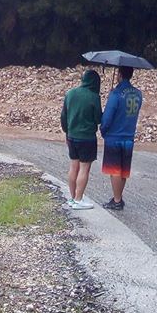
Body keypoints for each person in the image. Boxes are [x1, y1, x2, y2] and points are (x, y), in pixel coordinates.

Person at [99, 66, 143, 210]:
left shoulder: (116, 94)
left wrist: (103, 130)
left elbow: (107, 117)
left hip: (115, 136)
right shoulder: (138, 94)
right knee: (123, 170)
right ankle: (118, 196)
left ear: (119, 74)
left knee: (115, 170)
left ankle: (117, 200)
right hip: (129, 135)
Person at [60, 69, 102, 209]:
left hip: (72, 136)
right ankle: (79, 199)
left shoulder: (70, 93)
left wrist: (67, 132)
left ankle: (72, 198)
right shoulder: (94, 97)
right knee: (84, 169)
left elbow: (64, 116)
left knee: (73, 167)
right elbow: (98, 119)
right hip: (87, 138)